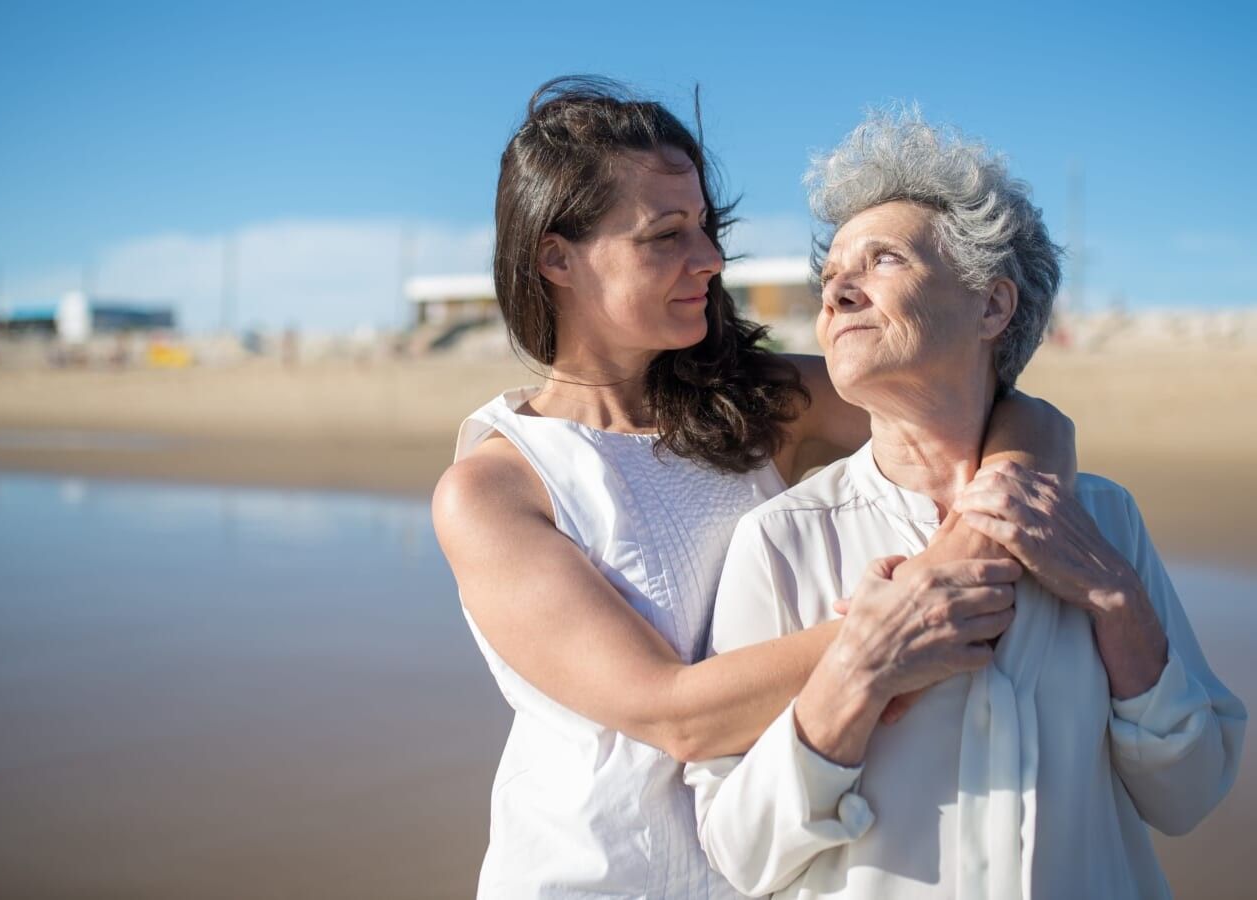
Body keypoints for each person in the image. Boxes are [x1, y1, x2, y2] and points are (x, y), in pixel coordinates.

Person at [431, 78, 1076, 898]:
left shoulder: (758, 404)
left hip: (774, 866)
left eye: (705, 225)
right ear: (557, 257)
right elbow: (675, 715)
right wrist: (896, 627)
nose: (708, 259)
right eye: (664, 235)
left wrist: (984, 525)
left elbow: (1004, 409)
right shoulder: (495, 487)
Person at [686, 109, 1247, 899]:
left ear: (992, 306)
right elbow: (739, 854)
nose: (838, 291)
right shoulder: (780, 540)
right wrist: (858, 671)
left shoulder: (1102, 521)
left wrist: (1118, 604)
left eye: (882, 260)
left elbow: (1190, 793)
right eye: (830, 276)